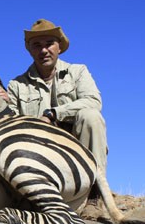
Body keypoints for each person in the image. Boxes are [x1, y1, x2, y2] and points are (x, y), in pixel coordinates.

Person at [7, 19, 107, 176]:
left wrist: (52, 114)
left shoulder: (78, 71)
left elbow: (94, 101)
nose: (44, 50)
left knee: (91, 115)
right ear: (30, 50)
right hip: (38, 151)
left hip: (76, 148)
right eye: (37, 45)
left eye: (49, 43)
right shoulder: (16, 85)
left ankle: (95, 188)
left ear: (59, 47)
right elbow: (9, 122)